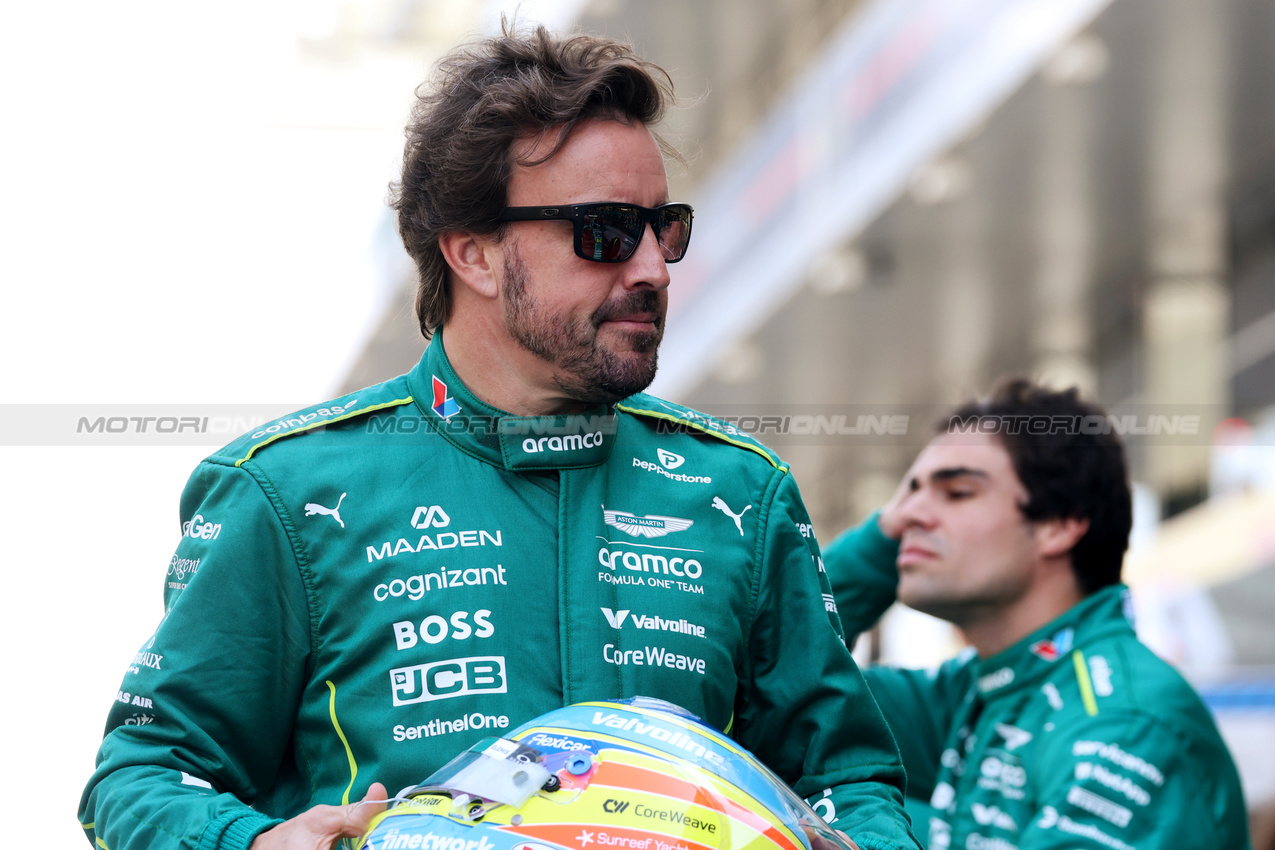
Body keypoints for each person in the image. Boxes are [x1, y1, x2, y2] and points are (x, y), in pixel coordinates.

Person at [79, 22, 919, 850]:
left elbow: (844, 780)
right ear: (473, 254)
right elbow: (144, 771)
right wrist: (250, 843)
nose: (653, 269)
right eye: (604, 231)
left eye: (664, 228)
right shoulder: (287, 488)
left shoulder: (738, 488)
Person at [823, 378, 1252, 849]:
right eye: (908, 495)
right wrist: (879, 544)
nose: (908, 516)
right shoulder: (977, 691)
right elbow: (770, 677)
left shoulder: (1122, 723)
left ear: (1059, 525)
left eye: (957, 492)